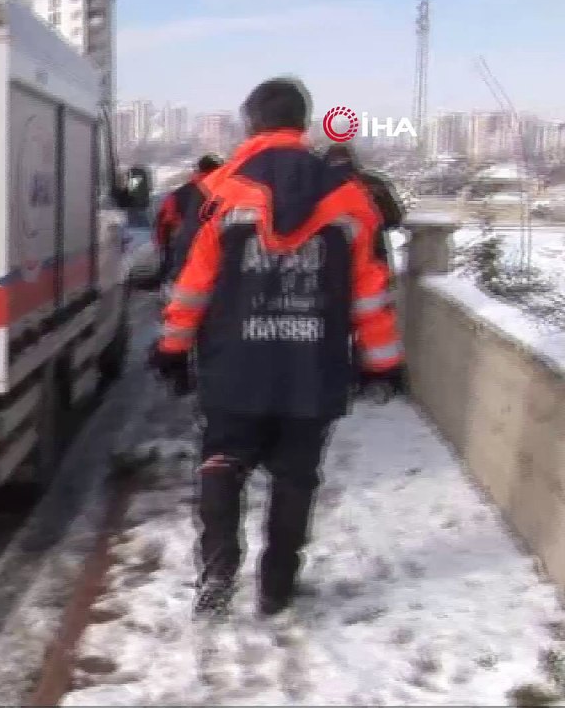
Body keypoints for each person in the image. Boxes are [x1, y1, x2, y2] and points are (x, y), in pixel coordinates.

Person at [147, 77, 406, 618]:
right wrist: (383, 364)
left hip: (234, 369)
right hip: (313, 371)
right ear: (303, 123)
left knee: (221, 464)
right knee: (295, 480)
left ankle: (218, 569)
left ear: (252, 123)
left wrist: (172, 349)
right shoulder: (349, 197)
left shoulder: (222, 190)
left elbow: (193, 285)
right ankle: (277, 588)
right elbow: (370, 295)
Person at [153, 153, 224, 288]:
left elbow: (163, 225)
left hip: (186, 259)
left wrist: (163, 252)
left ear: (198, 170)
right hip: (222, 259)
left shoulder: (178, 194)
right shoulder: (234, 192)